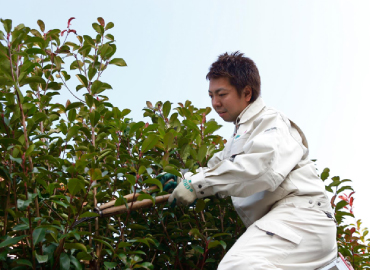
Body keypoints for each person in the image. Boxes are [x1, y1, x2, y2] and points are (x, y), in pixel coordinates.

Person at [167, 51, 338, 270]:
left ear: (247, 93)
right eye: (211, 95)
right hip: (289, 221)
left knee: (239, 265)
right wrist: (182, 178)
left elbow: (261, 169)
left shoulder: (270, 120)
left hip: (301, 216)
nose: (215, 103)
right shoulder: (239, 138)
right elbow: (214, 169)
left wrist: (197, 185)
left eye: (221, 94)